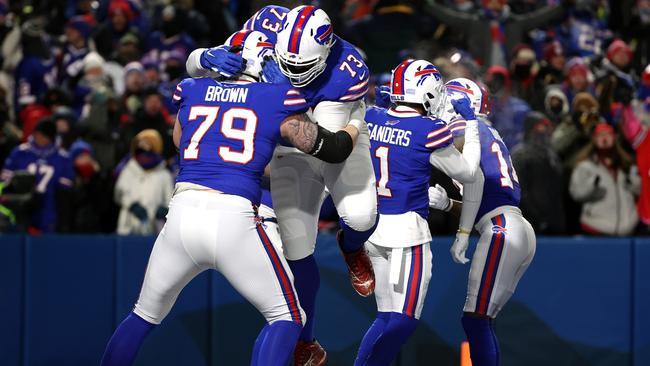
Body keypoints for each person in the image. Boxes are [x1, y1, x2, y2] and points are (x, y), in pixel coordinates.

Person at [99, 29, 366, 366]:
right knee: (288, 317)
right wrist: (356, 121)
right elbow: (333, 149)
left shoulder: (193, 90)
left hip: (181, 215)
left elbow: (181, 141)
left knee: (142, 315)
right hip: (233, 219)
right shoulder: (277, 98)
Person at [187, 6, 378, 363]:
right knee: (296, 250)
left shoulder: (347, 70)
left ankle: (352, 246)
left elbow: (326, 144)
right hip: (291, 147)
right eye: (284, 61)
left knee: (362, 216)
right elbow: (199, 67)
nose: (292, 72)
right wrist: (203, 57)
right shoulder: (263, 25)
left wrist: (279, 92)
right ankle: (306, 342)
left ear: (324, 52)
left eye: (301, 67)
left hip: (337, 136)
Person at [357, 63, 483, 366]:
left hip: (372, 229)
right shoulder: (428, 129)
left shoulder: (372, 117)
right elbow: (467, 173)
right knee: (405, 320)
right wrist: (472, 123)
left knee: (385, 317)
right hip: (407, 231)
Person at [428, 78, 536, 366]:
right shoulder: (487, 131)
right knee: (480, 321)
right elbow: (483, 196)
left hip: (501, 228)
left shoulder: (464, 128)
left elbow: (467, 170)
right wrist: (449, 204)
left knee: (476, 321)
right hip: (509, 224)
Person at [1, 118, 75, 233]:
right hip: (20, 208)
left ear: (50, 137)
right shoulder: (20, 152)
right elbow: (5, 182)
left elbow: (64, 193)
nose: (39, 138)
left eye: (43, 135)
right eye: (37, 134)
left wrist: (63, 220)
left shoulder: (63, 158)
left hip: (49, 209)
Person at [569, 122, 640, 235]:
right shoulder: (585, 166)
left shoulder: (626, 164)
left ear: (614, 138)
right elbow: (576, 194)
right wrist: (593, 183)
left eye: (608, 134)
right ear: (594, 139)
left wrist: (632, 182)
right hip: (596, 228)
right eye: (600, 135)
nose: (604, 138)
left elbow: (641, 191)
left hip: (629, 229)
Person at [511, 111, 566, 235]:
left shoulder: (551, 154)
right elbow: (519, 191)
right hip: (530, 222)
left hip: (554, 221)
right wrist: (537, 218)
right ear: (530, 129)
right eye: (541, 127)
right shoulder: (520, 154)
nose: (545, 131)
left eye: (547, 127)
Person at [114, 129, 173, 235]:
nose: (144, 154)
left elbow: (170, 199)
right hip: (128, 226)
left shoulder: (164, 174)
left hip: (155, 228)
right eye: (141, 149)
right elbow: (119, 193)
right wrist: (132, 205)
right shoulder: (129, 169)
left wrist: (165, 210)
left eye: (148, 149)